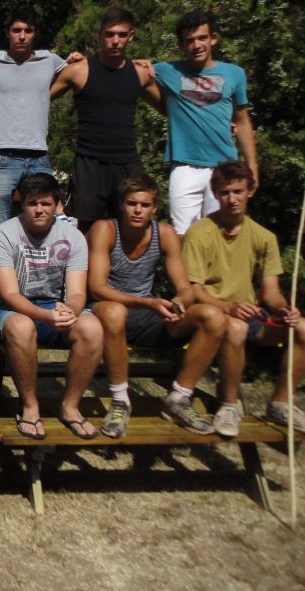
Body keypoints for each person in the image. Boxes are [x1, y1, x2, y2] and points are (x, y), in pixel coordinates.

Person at [183, 161, 305, 436]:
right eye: (224, 192)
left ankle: (281, 404)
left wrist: (285, 310)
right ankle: (229, 405)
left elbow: (271, 292)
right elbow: (194, 290)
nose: (232, 199)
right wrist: (228, 307)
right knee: (236, 327)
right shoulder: (199, 232)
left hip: (250, 314)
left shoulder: (264, 236)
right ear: (215, 194)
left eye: (238, 191)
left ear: (250, 191)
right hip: (212, 314)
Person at [87, 175, 230, 437]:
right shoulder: (105, 229)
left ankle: (179, 397)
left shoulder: (164, 234)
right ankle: (120, 401)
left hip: (147, 313)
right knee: (115, 311)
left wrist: (179, 303)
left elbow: (185, 288)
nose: (138, 210)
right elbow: (97, 287)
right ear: (121, 205)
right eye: (132, 203)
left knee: (213, 316)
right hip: (105, 310)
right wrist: (147, 302)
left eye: (145, 205)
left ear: (154, 208)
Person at [0, 173, 103, 440]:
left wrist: (69, 311)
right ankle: (30, 406)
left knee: (92, 328)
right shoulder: (4, 234)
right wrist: (46, 316)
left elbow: (77, 291)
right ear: (22, 204)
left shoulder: (73, 237)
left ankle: (70, 407)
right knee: (21, 326)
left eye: (46, 203)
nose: (39, 209)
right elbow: (9, 293)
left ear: (56, 204)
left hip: (53, 304)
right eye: (32, 203)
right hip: (12, 307)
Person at [50, 8, 161, 233]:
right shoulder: (78, 71)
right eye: (110, 34)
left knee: (133, 228)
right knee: (88, 230)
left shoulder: (140, 73)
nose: (115, 40)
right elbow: (37, 96)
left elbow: (173, 108)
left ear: (131, 36)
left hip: (127, 161)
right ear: (99, 35)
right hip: (90, 163)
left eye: (122, 34)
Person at [154, 11, 258, 234]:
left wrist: (252, 166)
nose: (197, 45)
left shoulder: (235, 74)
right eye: (190, 40)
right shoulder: (166, 71)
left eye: (202, 38)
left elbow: (242, 121)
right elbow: (134, 74)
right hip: (184, 165)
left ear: (213, 38)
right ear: (181, 44)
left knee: (222, 233)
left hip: (223, 164)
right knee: (183, 234)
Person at [0, 6, 71, 229]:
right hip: (1, 156)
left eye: (28, 30)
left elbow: (76, 74)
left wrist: (77, 60)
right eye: (16, 30)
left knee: (47, 224)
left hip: (38, 156)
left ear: (36, 33)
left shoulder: (50, 60)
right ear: (7, 32)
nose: (22, 36)